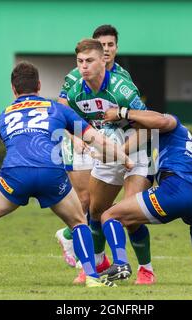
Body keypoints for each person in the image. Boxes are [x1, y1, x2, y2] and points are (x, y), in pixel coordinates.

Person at [0, 62, 132, 288]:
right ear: (39, 85)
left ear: (13, 89)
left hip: (16, 174)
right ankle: (92, 276)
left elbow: (14, 143)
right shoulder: (57, 108)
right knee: (78, 222)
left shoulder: (3, 115)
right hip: (51, 173)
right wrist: (125, 159)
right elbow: (97, 139)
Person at [63, 38, 156, 285]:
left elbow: (148, 126)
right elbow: (72, 123)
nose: (83, 67)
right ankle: (96, 264)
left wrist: (121, 151)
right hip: (107, 153)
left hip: (135, 151)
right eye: (80, 61)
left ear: (103, 60)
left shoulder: (121, 89)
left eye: (89, 61)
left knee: (129, 214)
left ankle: (145, 269)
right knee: (95, 210)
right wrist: (77, 138)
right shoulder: (76, 93)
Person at [98, 107, 192, 285]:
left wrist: (122, 112)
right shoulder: (173, 137)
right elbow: (126, 149)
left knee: (109, 215)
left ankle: (120, 263)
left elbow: (162, 121)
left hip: (177, 189)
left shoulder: (170, 123)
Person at [55, 25, 135, 269]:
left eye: (111, 45)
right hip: (80, 137)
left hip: (107, 141)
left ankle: (78, 243)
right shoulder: (77, 75)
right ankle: (82, 248)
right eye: (103, 45)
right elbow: (62, 105)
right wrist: (75, 136)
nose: (107, 49)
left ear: (115, 48)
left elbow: (134, 114)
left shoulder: (122, 77)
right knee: (86, 199)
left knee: (99, 202)